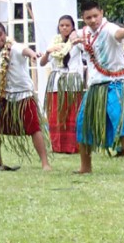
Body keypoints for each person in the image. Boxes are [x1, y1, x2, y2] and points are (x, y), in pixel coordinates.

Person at [75, 1, 124, 175]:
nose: (92, 20)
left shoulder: (109, 28)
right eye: (88, 17)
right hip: (95, 86)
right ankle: (85, 166)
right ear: (83, 18)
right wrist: (73, 40)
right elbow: (71, 41)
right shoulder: (83, 33)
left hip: (116, 83)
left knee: (119, 120)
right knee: (82, 121)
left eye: (95, 16)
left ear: (102, 13)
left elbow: (119, 34)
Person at [0, 21, 51, 171]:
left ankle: (45, 163)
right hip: (3, 96)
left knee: (34, 128)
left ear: (5, 34)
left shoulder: (14, 47)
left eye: (0, 34)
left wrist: (33, 54)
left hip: (23, 95)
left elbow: (25, 50)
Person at [40, 15, 84, 154]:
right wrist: (48, 52)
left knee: (72, 113)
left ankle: (73, 146)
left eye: (67, 25)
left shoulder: (77, 42)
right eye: (61, 25)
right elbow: (42, 63)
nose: (64, 28)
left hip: (72, 82)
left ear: (72, 27)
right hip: (56, 82)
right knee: (57, 114)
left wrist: (77, 40)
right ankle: (57, 146)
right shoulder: (54, 42)